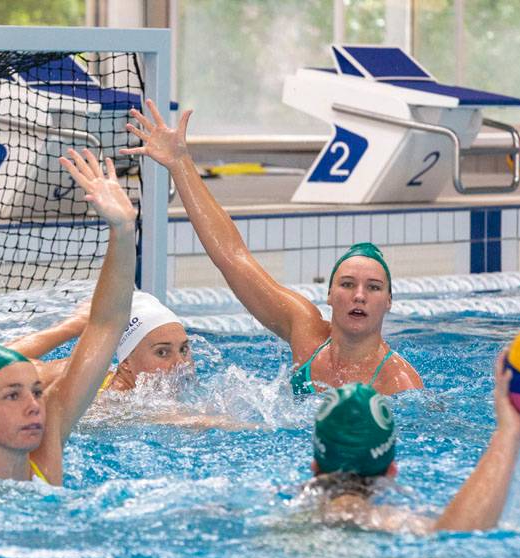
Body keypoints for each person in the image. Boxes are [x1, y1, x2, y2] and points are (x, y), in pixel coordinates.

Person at [121, 99, 422, 395]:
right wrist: (180, 164)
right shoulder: (306, 333)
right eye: (347, 284)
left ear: (389, 301)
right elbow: (232, 257)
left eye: (373, 287)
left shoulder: (397, 383)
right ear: (329, 295)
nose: (359, 296)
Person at [0, 148, 136, 483]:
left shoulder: (46, 446)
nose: (34, 406)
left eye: (36, 391)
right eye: (12, 395)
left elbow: (106, 325)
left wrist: (122, 231)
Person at [304, 352, 520, 534]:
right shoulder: (389, 524)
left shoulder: (289, 521)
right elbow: (457, 535)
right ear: (391, 469)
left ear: (315, 465)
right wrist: (508, 433)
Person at [6, 290, 191, 392]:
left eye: (183, 349)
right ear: (126, 362)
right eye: (162, 352)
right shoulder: (82, 381)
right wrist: (72, 327)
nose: (180, 364)